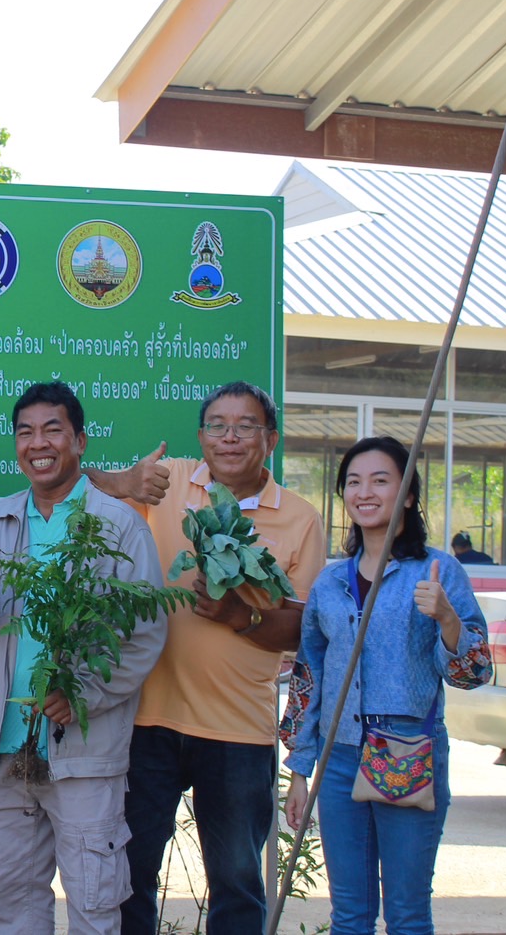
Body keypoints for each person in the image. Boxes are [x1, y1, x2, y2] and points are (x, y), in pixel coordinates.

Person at [88, 381, 327, 935]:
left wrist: (238, 615)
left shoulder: (299, 517)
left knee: (238, 885)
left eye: (245, 426)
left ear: (270, 439)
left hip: (239, 731)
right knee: (130, 875)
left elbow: (302, 629)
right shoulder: (168, 482)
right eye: (217, 425)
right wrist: (124, 481)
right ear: (200, 436)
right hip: (148, 720)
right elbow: (73, 487)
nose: (230, 437)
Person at [0, 382, 164, 934]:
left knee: (93, 905)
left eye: (52, 430)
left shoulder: (118, 524)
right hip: (6, 748)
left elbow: (145, 635)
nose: (37, 443)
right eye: (25, 432)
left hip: (83, 754)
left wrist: (81, 693)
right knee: (7, 904)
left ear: (80, 441)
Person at [284, 436, 492, 934]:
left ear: (409, 493)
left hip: (407, 748)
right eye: (353, 481)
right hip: (339, 757)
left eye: (381, 480)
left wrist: (446, 618)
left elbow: (476, 672)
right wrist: (298, 767)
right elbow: (308, 675)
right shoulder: (331, 583)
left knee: (407, 914)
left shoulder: (438, 571)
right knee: (350, 916)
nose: (365, 492)